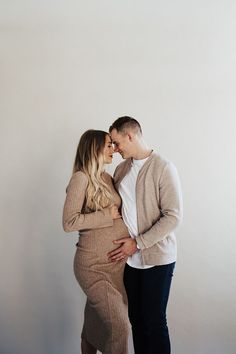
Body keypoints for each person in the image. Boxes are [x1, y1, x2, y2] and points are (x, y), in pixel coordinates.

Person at [107, 116, 183, 354]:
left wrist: (137, 244)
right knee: (136, 321)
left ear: (130, 135)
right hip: (129, 262)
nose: (116, 149)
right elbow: (117, 204)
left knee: (154, 322)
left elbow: (173, 216)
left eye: (117, 142)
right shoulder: (121, 170)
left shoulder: (163, 168)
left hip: (158, 259)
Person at [62, 129, 131, 354]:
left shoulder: (106, 178)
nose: (113, 149)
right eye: (108, 145)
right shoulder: (80, 178)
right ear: (94, 148)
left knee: (96, 325)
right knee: (119, 324)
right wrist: (105, 215)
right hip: (92, 267)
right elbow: (69, 222)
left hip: (115, 267)